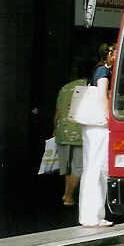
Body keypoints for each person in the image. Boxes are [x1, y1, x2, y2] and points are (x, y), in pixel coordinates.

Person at [79, 43, 114, 227]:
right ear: (108, 55)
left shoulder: (98, 70)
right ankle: (93, 216)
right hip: (99, 125)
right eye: (114, 52)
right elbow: (102, 96)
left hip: (92, 126)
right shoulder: (103, 71)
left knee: (93, 168)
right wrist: (109, 117)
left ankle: (91, 215)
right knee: (98, 169)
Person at [53, 72, 87, 206]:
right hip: (79, 131)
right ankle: (68, 196)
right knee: (77, 167)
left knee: (66, 167)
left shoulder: (65, 88)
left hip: (62, 130)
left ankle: (66, 193)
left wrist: (55, 128)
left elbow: (58, 112)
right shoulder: (89, 87)